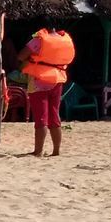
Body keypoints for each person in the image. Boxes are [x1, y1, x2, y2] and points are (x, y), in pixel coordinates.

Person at [17, 27, 75, 156]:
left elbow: (21, 56)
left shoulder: (39, 40)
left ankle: (38, 151)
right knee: (54, 115)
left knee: (41, 116)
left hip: (39, 79)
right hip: (57, 79)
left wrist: (28, 61)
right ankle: (56, 151)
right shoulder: (63, 39)